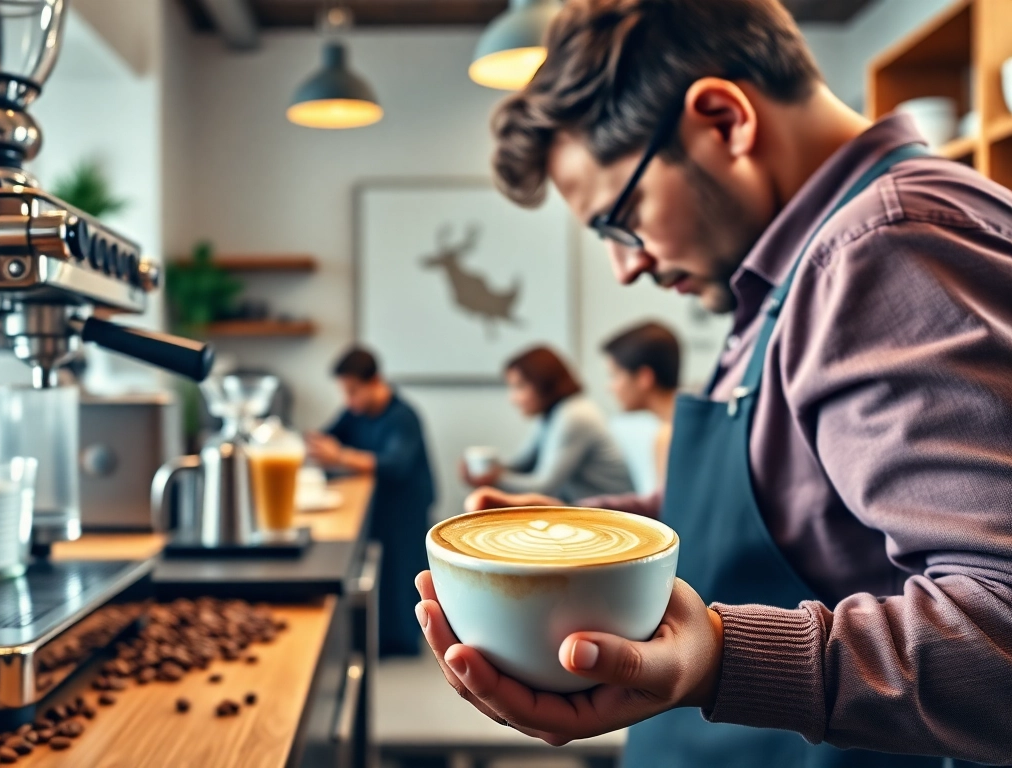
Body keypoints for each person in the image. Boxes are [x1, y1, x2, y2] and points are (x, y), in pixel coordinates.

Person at [415, 0, 1012, 765]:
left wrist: (722, 656)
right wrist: (581, 536)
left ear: (724, 120)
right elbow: (790, 508)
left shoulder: (886, 251)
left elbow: (997, 627)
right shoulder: (790, 274)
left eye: (623, 219)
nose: (627, 266)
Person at [306, 346, 435, 657]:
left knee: (401, 573)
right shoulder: (355, 412)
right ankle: (378, 637)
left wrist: (341, 456)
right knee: (381, 572)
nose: (348, 401)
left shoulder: (403, 416)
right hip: (377, 504)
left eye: (353, 392)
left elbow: (395, 464)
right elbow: (329, 435)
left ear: (375, 381)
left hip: (405, 507)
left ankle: (403, 643)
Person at [461, 346, 633, 502]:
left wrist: (494, 479)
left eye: (519, 387)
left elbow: (544, 487)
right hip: (581, 506)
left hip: (608, 513)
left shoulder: (574, 415)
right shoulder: (552, 414)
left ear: (543, 383)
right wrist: (487, 470)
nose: (512, 398)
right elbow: (523, 464)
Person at [601, 322, 681, 486]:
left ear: (645, 378)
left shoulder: (669, 436)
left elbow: (665, 509)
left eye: (615, 375)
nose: (610, 388)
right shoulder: (684, 423)